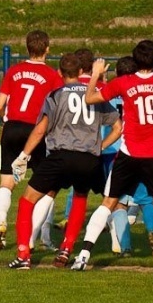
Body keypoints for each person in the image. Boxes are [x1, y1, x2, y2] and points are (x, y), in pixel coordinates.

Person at [71, 0, 153, 276]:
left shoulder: (124, 83)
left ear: (135, 61)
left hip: (128, 153)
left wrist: (97, 75)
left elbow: (90, 99)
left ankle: (83, 255)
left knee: (108, 203)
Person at [7, 52, 121, 269]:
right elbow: (118, 127)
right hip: (89, 159)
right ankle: (67, 248)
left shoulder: (56, 95)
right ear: (80, 72)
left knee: (27, 200)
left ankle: (23, 254)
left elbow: (41, 129)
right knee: (80, 196)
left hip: (61, 155)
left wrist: (23, 155)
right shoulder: (94, 93)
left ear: (59, 73)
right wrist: (100, 146)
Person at [0, 30, 64, 250]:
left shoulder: (13, 71)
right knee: (47, 186)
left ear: (27, 47)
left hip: (12, 128)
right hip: (36, 131)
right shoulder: (52, 76)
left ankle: (1, 223)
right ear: (47, 49)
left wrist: (6, 119)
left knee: (7, 183)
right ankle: (32, 235)